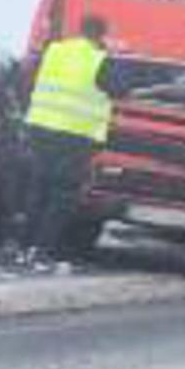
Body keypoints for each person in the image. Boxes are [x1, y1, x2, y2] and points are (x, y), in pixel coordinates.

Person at [13, 15, 132, 269]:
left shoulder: (55, 51)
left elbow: (29, 78)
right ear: (101, 35)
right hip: (74, 136)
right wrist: (118, 57)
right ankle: (42, 251)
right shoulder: (99, 59)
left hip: (41, 128)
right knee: (62, 195)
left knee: (38, 189)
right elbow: (120, 89)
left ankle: (23, 247)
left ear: (81, 30)